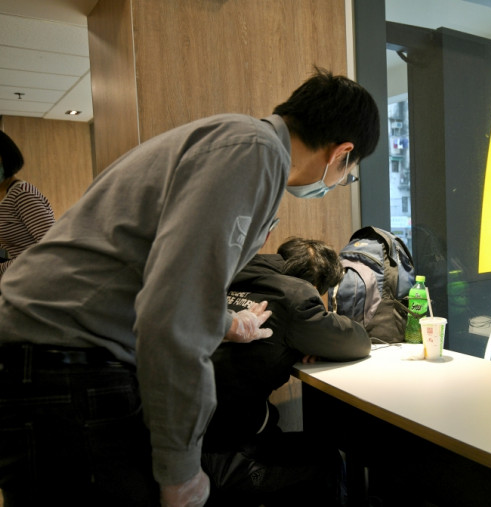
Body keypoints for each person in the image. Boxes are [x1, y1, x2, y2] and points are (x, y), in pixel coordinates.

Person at [0, 67, 380, 507]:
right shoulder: (254, 155)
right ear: (342, 153)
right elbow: (174, 314)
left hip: (43, 359)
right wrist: (181, 473)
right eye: (349, 173)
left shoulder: (232, 141)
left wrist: (225, 322)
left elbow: (162, 275)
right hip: (62, 369)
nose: (340, 182)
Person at [201, 237, 371, 506]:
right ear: (316, 286)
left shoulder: (231, 274)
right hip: (227, 455)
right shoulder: (296, 296)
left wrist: (298, 342)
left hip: (188, 441)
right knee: (325, 458)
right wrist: (313, 340)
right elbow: (356, 342)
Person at [0, 130, 55, 279]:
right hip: (22, 274)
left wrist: (3, 268)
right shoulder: (3, 196)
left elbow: (51, 246)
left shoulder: (21, 194)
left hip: (37, 276)